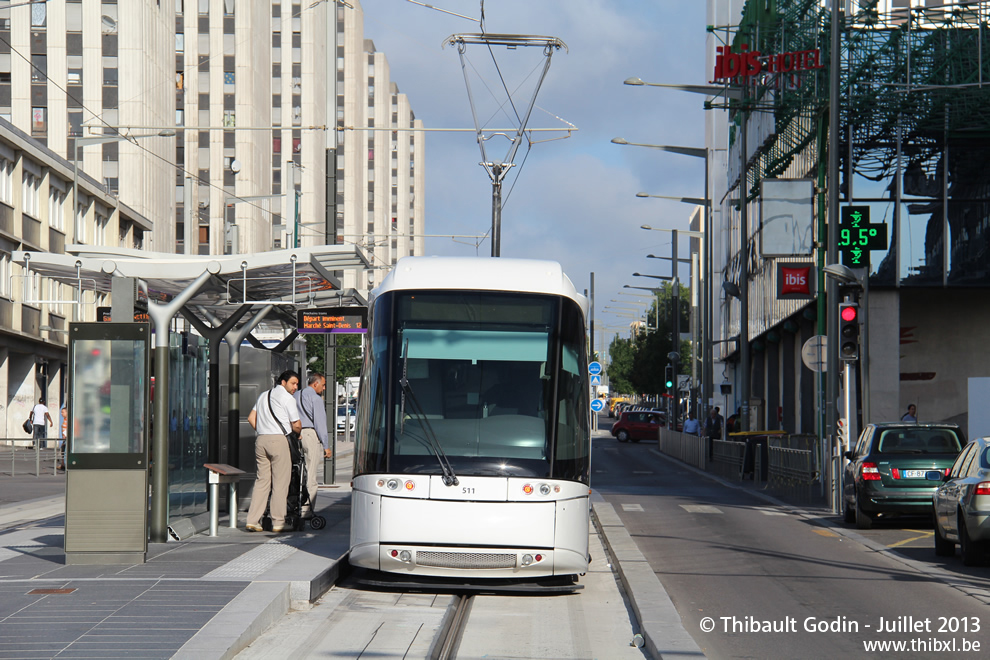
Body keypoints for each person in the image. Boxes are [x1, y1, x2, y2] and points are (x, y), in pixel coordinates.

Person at [245, 370, 301, 533]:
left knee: (262, 481)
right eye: (293, 383)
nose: (295, 387)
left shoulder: (263, 395)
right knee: (280, 482)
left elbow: (250, 418)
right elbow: (296, 424)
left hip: (261, 440)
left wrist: (264, 430)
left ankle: (252, 520)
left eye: (296, 384)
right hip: (278, 440)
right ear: (283, 383)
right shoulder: (287, 398)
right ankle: (278, 521)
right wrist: (298, 433)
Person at [294, 372, 331, 519]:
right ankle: (307, 510)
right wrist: (326, 446)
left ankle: (294, 505)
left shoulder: (295, 395)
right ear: (315, 384)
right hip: (310, 435)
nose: (324, 388)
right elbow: (320, 424)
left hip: (296, 435)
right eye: (323, 385)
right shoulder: (316, 399)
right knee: (311, 475)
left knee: (296, 472)